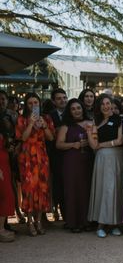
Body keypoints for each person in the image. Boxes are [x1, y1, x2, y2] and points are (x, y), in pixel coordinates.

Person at [16, 93, 55, 236]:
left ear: (40, 104)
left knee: (42, 187)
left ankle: (39, 221)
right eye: (30, 103)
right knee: (29, 188)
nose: (33, 105)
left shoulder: (46, 118)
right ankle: (30, 221)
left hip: (42, 156)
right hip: (27, 156)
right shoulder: (21, 118)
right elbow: (22, 138)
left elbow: (51, 138)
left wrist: (44, 126)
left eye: (36, 102)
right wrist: (31, 123)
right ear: (26, 105)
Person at [87, 94, 123, 237]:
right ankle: (100, 225)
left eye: (108, 103)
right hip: (102, 159)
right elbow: (93, 145)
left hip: (117, 158)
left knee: (116, 189)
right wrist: (89, 134)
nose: (105, 106)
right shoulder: (94, 121)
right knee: (104, 190)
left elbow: (120, 140)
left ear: (111, 104)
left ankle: (115, 223)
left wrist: (101, 145)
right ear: (99, 106)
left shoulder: (118, 120)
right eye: (102, 104)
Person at [55, 99, 93, 233]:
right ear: (69, 111)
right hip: (71, 162)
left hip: (87, 161)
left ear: (83, 109)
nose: (77, 111)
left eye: (78, 108)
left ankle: (87, 221)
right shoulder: (66, 126)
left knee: (86, 190)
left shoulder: (90, 123)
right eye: (73, 109)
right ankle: (73, 222)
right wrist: (73, 145)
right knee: (72, 190)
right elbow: (58, 144)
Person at [49, 88, 68, 221]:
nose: (63, 100)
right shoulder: (49, 116)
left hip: (70, 154)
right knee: (57, 184)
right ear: (53, 101)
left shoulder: (72, 113)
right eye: (59, 98)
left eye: (64, 97)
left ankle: (68, 214)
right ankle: (58, 210)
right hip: (55, 154)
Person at [0, 116, 16, 242]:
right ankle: (0, 230)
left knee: (6, 197)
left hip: (5, 166)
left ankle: (1, 228)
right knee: (6, 197)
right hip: (0, 168)